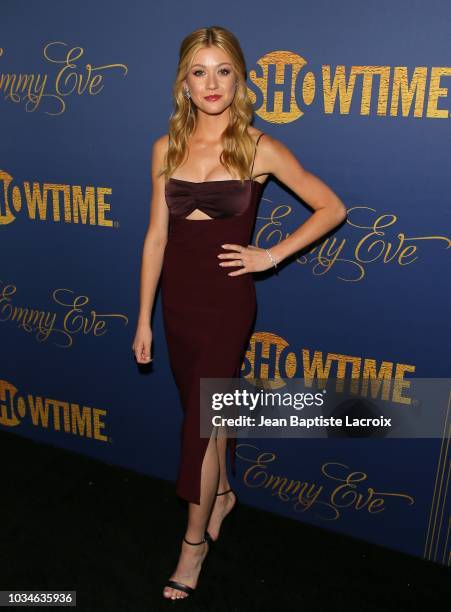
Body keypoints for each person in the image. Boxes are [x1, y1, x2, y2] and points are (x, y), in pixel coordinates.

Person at [132, 25, 347, 601]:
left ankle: (192, 548)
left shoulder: (259, 146)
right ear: (183, 81)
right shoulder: (165, 147)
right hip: (177, 300)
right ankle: (223, 493)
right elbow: (156, 237)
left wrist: (270, 255)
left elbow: (332, 207)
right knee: (208, 406)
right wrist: (143, 318)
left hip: (228, 301)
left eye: (223, 70)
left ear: (240, 77)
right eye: (199, 71)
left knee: (198, 428)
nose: (211, 83)